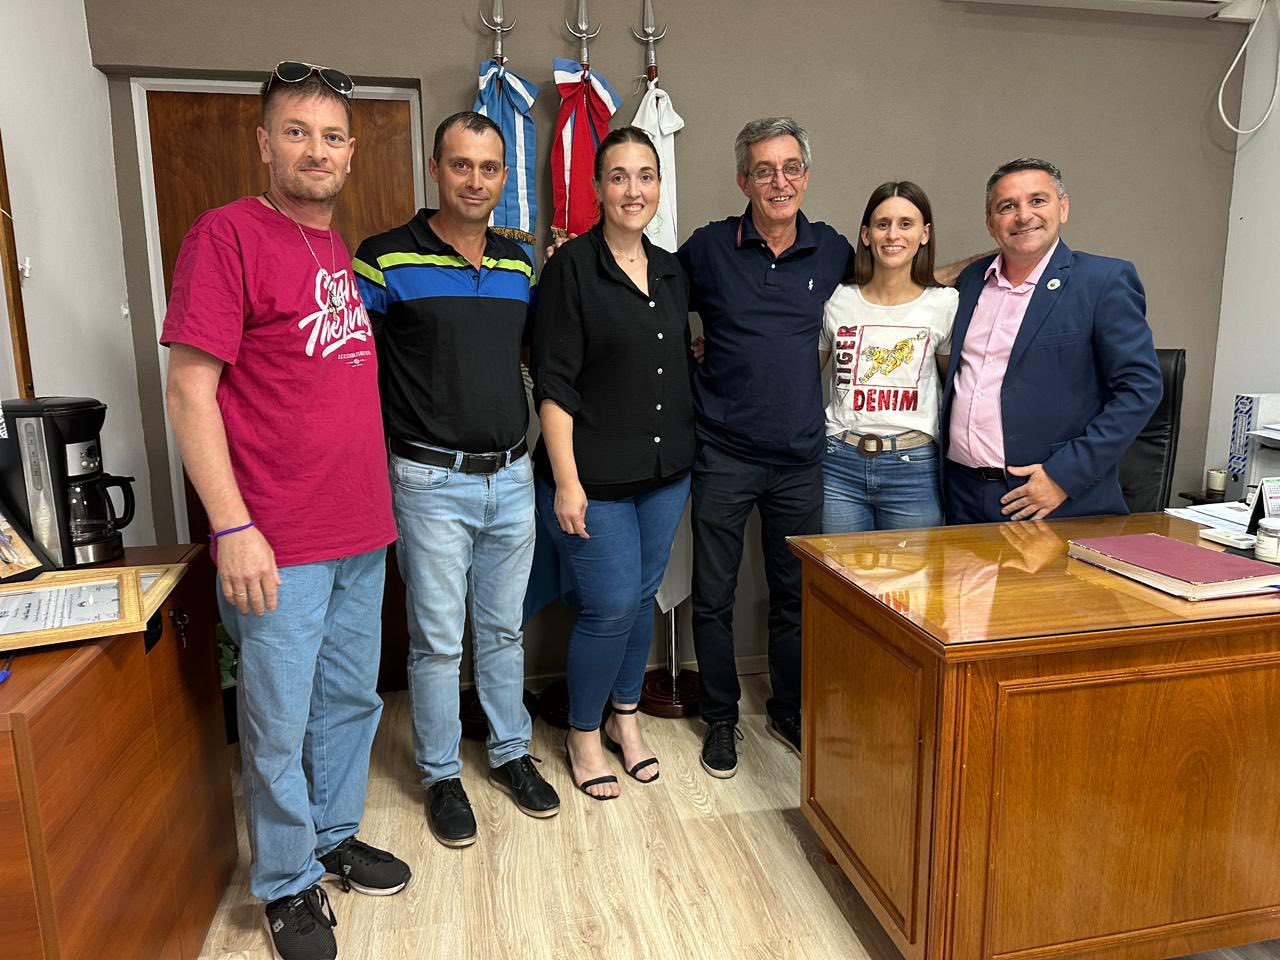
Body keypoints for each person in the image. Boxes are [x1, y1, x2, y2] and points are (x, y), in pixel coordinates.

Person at [162, 61, 410, 960]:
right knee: (276, 720)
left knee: (348, 698)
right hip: (278, 537)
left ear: (350, 151)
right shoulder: (227, 235)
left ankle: (332, 836)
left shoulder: (336, 251)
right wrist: (232, 527)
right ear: (264, 143)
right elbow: (189, 391)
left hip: (360, 527)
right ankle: (284, 880)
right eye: (297, 132)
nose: (317, 150)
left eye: (332, 136)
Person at [678, 119, 977, 780]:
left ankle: (789, 708)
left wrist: (989, 262)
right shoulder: (708, 248)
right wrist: (696, 351)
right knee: (713, 593)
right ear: (743, 180)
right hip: (724, 453)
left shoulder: (832, 252)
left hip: (801, 458)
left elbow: (898, 284)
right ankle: (721, 718)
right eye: (764, 170)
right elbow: (652, 298)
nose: (779, 181)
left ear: (806, 177)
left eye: (791, 168)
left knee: (796, 596)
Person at [353, 112, 559, 849]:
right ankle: (441, 773)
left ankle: (509, 752)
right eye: (462, 165)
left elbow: (533, 357)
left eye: (489, 167)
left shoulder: (518, 265)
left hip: (511, 478)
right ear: (436, 168)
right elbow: (350, 376)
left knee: (503, 630)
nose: (476, 180)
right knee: (438, 642)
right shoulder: (381, 259)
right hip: (429, 482)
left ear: (504, 177)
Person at [531, 126, 694, 800]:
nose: (634, 190)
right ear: (598, 187)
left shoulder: (672, 270)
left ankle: (626, 718)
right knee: (608, 606)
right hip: (592, 478)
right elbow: (554, 384)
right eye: (619, 176)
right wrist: (566, 482)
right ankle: (583, 732)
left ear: (659, 186)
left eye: (645, 176)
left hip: (665, 474)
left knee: (640, 598)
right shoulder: (570, 269)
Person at [941, 158, 1162, 524]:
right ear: (990, 223)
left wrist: (1064, 476)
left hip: (1049, 498)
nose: (1023, 215)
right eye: (1007, 206)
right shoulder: (970, 281)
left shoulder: (1102, 281)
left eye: (1037, 201)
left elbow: (1141, 389)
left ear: (1063, 208)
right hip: (960, 495)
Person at [819, 181, 958, 533]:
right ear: (866, 235)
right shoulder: (837, 299)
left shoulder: (945, 304)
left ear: (925, 234)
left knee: (910, 571)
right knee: (836, 568)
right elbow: (801, 372)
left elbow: (955, 386)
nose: (893, 234)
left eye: (905, 224)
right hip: (839, 463)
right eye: (883, 224)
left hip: (914, 468)